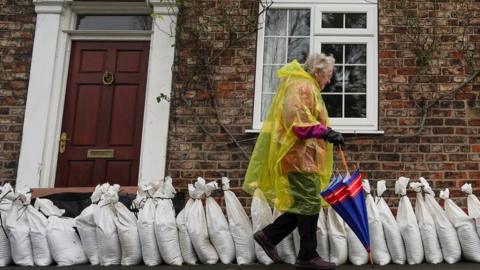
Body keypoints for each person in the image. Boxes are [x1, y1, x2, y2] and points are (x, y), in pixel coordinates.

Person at [243, 53, 344, 270]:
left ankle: (269, 236)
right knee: (309, 203)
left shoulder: (306, 86)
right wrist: (326, 132)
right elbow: (297, 121)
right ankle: (307, 256)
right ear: (318, 72)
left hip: (304, 158)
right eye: (328, 76)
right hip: (299, 158)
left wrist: (327, 132)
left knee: (304, 203)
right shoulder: (302, 86)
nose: (328, 81)